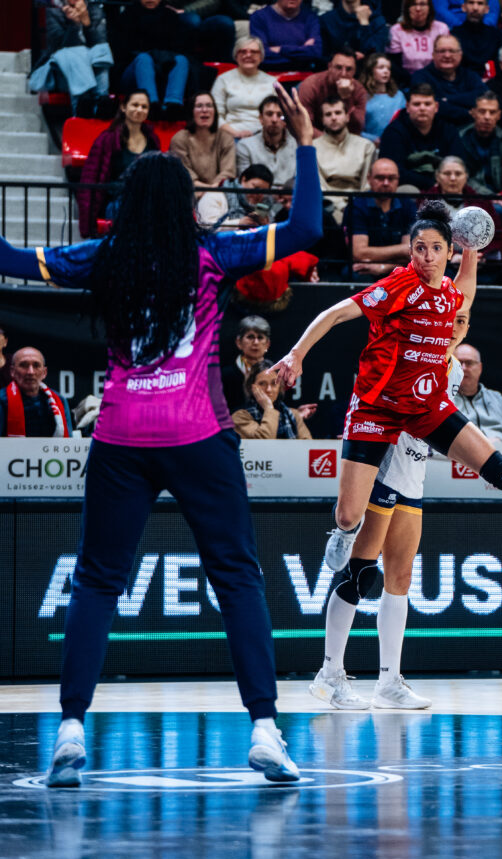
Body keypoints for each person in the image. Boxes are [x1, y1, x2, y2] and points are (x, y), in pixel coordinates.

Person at [0, 85, 321, 787]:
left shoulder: (100, 258)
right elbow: (304, 231)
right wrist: (304, 144)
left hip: (119, 437)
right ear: (183, 201)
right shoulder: (212, 256)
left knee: (96, 581)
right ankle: (264, 730)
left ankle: (71, 729)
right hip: (198, 435)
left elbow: (12, 259)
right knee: (237, 577)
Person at [272, 200, 502, 595]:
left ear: (448, 252)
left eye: (437, 248)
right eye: (420, 248)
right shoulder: (396, 286)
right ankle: (345, 532)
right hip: (376, 407)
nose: (428, 256)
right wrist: (297, 353)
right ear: (411, 250)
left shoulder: (449, 296)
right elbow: (334, 313)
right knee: (349, 515)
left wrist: (471, 244)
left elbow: (466, 289)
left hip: (426, 408)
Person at [309, 309, 470, 711]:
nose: (454, 325)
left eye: (463, 321)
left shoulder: (455, 373)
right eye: (450, 318)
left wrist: (470, 252)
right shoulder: (410, 357)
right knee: (360, 575)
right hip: (380, 474)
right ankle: (329, 674)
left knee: (400, 578)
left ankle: (389, 681)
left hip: (412, 480)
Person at [76, 90, 160, 238]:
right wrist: (87, 224)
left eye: (144, 107)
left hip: (147, 201)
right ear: (123, 107)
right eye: (135, 105)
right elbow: (89, 180)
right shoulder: (107, 139)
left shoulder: (153, 140)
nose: (139, 110)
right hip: (117, 201)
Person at [28, 0, 113, 118]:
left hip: (91, 71)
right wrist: (74, 25)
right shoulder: (54, 10)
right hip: (61, 72)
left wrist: (87, 23)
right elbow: (56, 47)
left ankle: (101, 103)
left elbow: (99, 46)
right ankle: (88, 105)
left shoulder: (94, 10)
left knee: (101, 49)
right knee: (77, 52)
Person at [379, 83, 467, 190]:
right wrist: (431, 184)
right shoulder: (394, 132)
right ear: (407, 107)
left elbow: (458, 162)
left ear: (436, 107)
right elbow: (394, 171)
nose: (422, 108)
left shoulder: (448, 130)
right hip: (409, 187)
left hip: (444, 186)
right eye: (417, 104)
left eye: (427, 104)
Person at [111, 0, 191, 118]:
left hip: (164, 69)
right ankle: (150, 105)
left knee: (181, 60)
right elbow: (122, 52)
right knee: (144, 59)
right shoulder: (126, 17)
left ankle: (173, 105)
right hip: (134, 73)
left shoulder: (171, 17)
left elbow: (180, 47)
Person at [344, 158, 416, 278]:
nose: (386, 183)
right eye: (380, 178)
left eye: (391, 178)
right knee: (356, 273)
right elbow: (359, 253)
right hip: (366, 268)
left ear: (398, 180)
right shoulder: (356, 206)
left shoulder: (407, 205)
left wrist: (384, 267)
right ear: (369, 179)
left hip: (398, 269)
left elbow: (411, 254)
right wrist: (402, 249)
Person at [316, 97, 377, 223]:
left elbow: (367, 184)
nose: (333, 117)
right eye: (328, 114)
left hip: (359, 203)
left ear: (347, 117)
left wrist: (356, 206)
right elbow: (319, 185)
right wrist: (340, 206)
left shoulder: (365, 146)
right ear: (322, 120)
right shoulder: (313, 147)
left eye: (338, 113)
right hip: (327, 205)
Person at [457, 91, 502, 196]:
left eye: (492, 112)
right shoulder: (461, 138)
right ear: (473, 112)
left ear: (499, 115)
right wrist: (491, 198)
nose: (487, 117)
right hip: (471, 197)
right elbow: (462, 178)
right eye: (482, 111)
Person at [453, 343, 502, 441]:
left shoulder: (497, 398)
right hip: (461, 453)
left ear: (480, 368)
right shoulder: (444, 400)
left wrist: (499, 440)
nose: (463, 368)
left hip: (499, 451)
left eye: (469, 363)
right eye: (458, 363)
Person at [169, 92, 237, 196]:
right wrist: (210, 190)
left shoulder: (225, 138)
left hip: (219, 193)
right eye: (199, 106)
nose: (205, 110)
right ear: (191, 111)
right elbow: (184, 175)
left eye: (209, 106)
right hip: (188, 192)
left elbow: (228, 172)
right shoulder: (179, 139)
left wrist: (212, 191)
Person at [410, 34, 486, 126]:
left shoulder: (470, 75)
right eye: (442, 51)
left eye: (452, 51)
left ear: (460, 54)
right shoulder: (421, 77)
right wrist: (468, 113)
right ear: (433, 55)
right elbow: (432, 107)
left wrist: (447, 99)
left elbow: (483, 96)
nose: (447, 55)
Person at [210, 37, 276, 139]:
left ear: (261, 56)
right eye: (243, 52)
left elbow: (278, 115)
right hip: (230, 135)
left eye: (254, 52)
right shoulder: (223, 80)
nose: (248, 55)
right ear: (236, 56)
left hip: (265, 135)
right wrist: (235, 133)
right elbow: (215, 115)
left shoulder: (272, 82)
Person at [0, 347, 73, 437]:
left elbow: (68, 442)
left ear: (44, 373)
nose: (30, 372)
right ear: (12, 371)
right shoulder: (2, 400)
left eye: (36, 365)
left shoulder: (59, 400)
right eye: (24, 365)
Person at [232, 360, 313, 438]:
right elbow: (265, 443)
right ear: (251, 387)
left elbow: (307, 447)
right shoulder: (240, 417)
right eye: (262, 384)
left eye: (274, 383)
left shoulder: (293, 415)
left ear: (280, 386)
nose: (269, 389)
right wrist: (269, 408)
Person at [299, 50, 369, 137]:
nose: (343, 74)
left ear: (355, 71)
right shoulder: (311, 85)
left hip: (346, 139)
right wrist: (329, 142)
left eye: (349, 69)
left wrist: (347, 98)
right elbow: (304, 125)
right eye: (339, 68)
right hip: (316, 138)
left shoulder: (359, 90)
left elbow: (357, 128)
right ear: (329, 67)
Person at [236, 94, 298, 189]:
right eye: (269, 114)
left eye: (280, 115)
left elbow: (301, 180)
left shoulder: (297, 145)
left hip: (290, 197)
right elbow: (246, 184)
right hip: (258, 198)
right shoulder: (245, 146)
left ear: (286, 120)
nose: (274, 119)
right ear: (261, 118)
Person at [249, 0, 323, 71]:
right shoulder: (259, 17)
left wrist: (280, 49)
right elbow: (261, 54)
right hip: (269, 73)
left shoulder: (310, 17)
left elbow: (316, 52)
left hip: (304, 75)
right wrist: (302, 51)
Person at [222, 315, 272, 413]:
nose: (256, 342)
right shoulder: (225, 375)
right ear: (239, 342)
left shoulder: (275, 373)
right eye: (250, 337)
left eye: (260, 337)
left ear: (267, 344)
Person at [387, 0, 450, 77]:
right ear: (407, 9)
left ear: (429, 8)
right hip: (407, 79)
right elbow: (395, 64)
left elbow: (446, 57)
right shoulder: (396, 30)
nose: (418, 8)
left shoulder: (441, 28)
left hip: (437, 77)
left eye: (422, 4)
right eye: (413, 4)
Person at [451, 0, 502, 78]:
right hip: (463, 83)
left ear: (487, 9)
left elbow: (501, 66)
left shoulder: (497, 35)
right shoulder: (454, 35)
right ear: (463, 7)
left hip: (492, 83)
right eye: (471, 3)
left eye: (480, 3)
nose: (475, 8)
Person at [360, 54, 406, 144]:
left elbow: (406, 122)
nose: (386, 71)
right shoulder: (362, 96)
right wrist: (372, 139)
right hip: (368, 144)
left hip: (395, 143)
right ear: (370, 70)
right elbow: (355, 128)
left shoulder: (399, 96)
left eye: (388, 68)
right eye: (381, 68)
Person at [320, 0, 389, 60]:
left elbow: (376, 56)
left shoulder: (376, 20)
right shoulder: (327, 20)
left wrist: (364, 24)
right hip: (336, 71)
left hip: (365, 71)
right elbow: (323, 56)